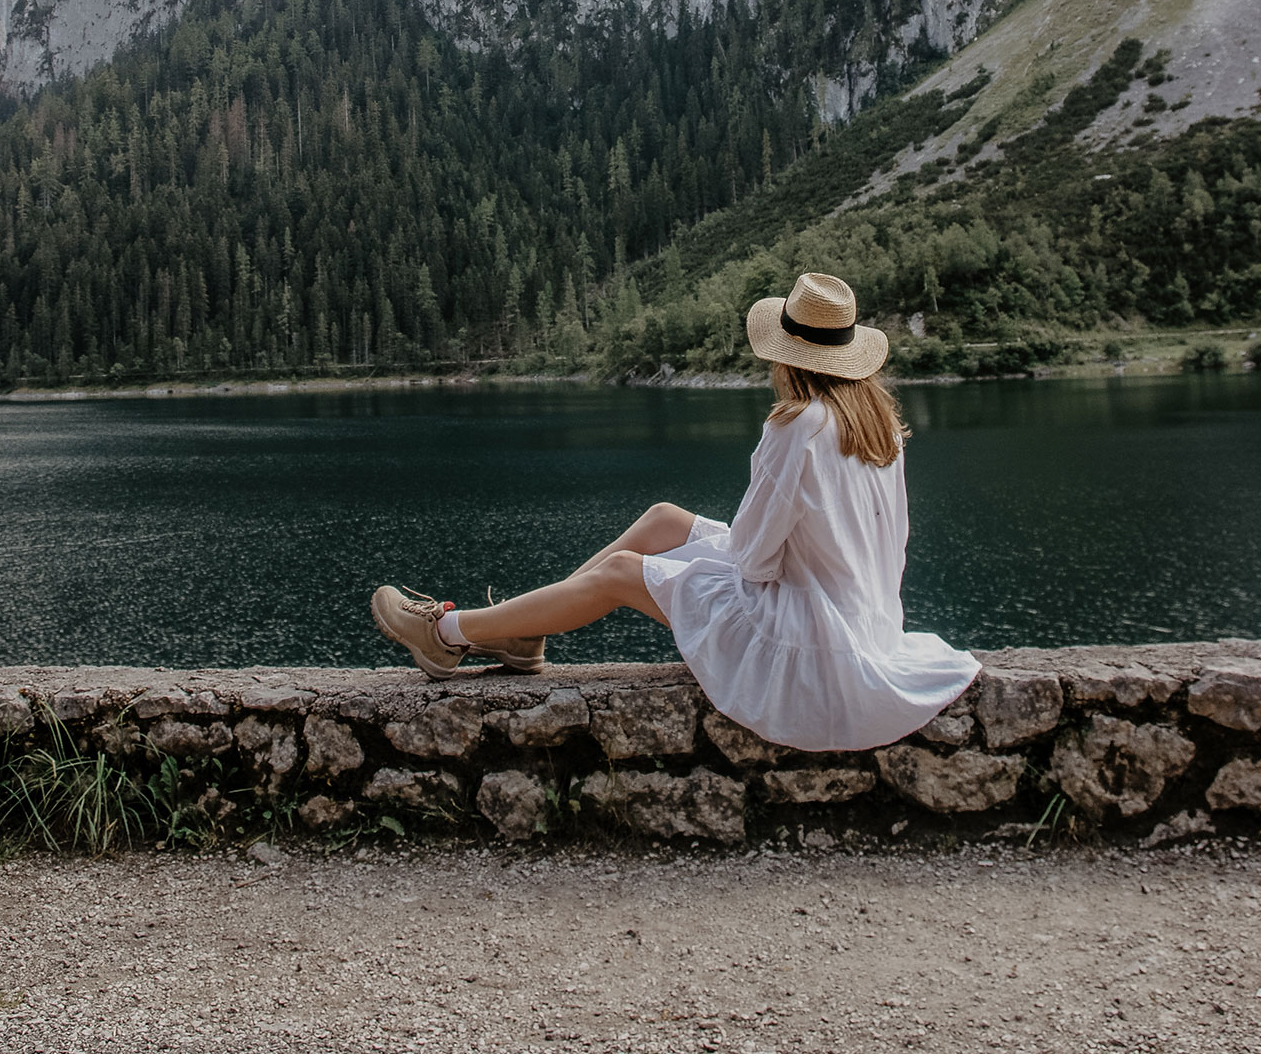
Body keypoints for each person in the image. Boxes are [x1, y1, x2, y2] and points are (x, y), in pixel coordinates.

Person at [371, 272, 979, 750]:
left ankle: (449, 634)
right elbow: (876, 544)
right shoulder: (878, 425)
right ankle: (524, 629)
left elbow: (754, 560)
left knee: (621, 574)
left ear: (787, 357)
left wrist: (704, 565)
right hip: (863, 623)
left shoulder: (798, 426)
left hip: (806, 645)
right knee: (665, 518)